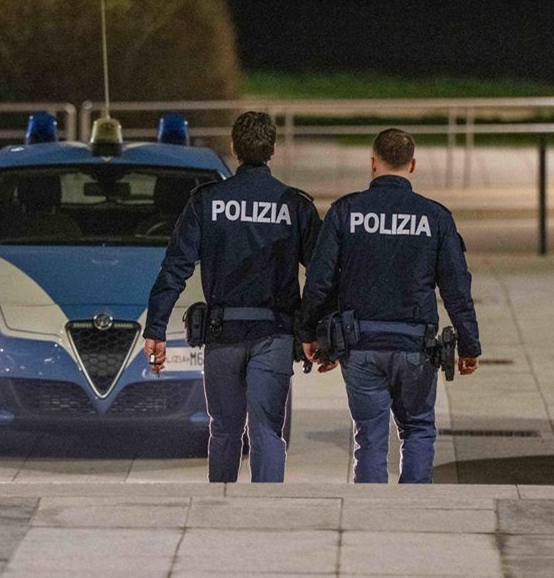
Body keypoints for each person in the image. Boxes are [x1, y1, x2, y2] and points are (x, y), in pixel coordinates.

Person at [143, 111, 321, 483]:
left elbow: (175, 267)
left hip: (222, 336)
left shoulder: (207, 201)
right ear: (272, 149)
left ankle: (218, 513)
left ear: (233, 149)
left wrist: (155, 328)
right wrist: (314, 331)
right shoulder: (295, 205)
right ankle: (264, 515)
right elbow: (322, 274)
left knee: (224, 431)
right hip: (274, 335)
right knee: (267, 432)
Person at [299, 128, 481, 484]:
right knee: (418, 429)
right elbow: (457, 287)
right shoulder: (436, 217)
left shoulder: (345, 211)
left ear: (372, 163)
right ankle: (412, 510)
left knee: (369, 438)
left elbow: (320, 280)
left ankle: (370, 518)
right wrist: (470, 343)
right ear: (412, 165)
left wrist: (308, 332)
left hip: (361, 344)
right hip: (416, 347)